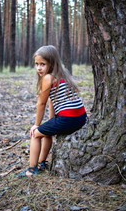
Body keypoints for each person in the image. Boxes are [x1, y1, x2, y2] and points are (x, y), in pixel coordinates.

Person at [18, 45, 87, 177]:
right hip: (81, 117)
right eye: (37, 64)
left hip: (68, 118)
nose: (39, 68)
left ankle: (32, 169)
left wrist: (36, 125)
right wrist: (51, 121)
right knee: (47, 132)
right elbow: (52, 100)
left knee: (35, 134)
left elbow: (42, 103)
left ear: (51, 63)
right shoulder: (63, 74)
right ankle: (42, 163)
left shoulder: (48, 78)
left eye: (43, 64)